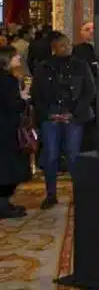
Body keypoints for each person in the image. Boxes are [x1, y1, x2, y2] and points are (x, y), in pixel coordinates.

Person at [30, 32, 96, 209]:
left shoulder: (81, 66)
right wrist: (48, 114)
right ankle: (51, 194)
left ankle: (78, 194)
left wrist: (73, 113)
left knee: (73, 156)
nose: (67, 48)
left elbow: (90, 91)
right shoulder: (43, 67)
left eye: (68, 45)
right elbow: (36, 95)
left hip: (73, 116)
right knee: (51, 155)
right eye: (62, 45)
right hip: (50, 115)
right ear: (54, 49)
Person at [0, 45, 31, 219]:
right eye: (15, 56)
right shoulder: (9, 81)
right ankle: (3, 205)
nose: (19, 58)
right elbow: (14, 105)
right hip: (7, 129)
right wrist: (24, 98)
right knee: (8, 169)